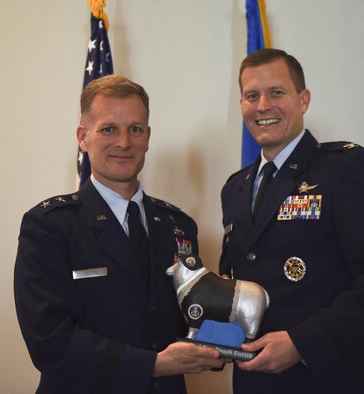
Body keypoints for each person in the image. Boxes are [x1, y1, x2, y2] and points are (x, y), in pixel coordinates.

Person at [219, 48, 364, 393]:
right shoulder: (235, 187)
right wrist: (210, 332)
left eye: (276, 92)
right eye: (251, 95)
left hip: (330, 380)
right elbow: (235, 283)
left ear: (303, 99)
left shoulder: (344, 168)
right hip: (254, 382)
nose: (262, 105)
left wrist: (302, 343)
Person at [14, 74, 223, 394]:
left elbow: (190, 319)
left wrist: (231, 327)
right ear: (83, 137)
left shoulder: (178, 226)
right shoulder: (49, 226)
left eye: (135, 129)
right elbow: (49, 342)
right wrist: (153, 365)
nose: (124, 142)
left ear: (147, 137)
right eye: (109, 129)